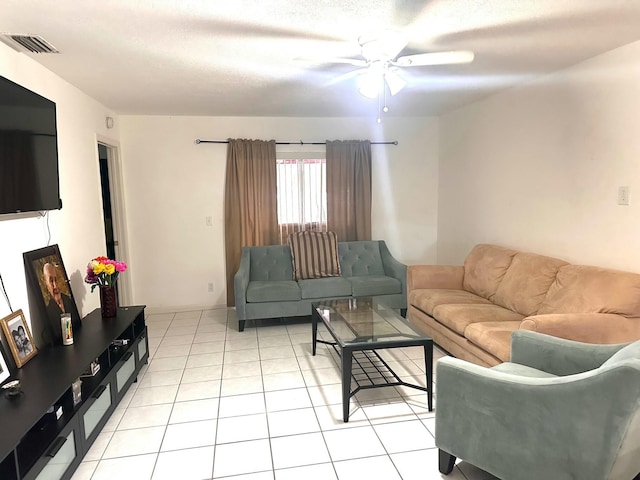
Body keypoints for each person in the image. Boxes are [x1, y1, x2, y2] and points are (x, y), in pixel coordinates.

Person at [43, 263, 80, 341]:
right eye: (51, 281)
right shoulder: (48, 312)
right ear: (47, 285)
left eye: (56, 280)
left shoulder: (68, 300)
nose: (55, 286)